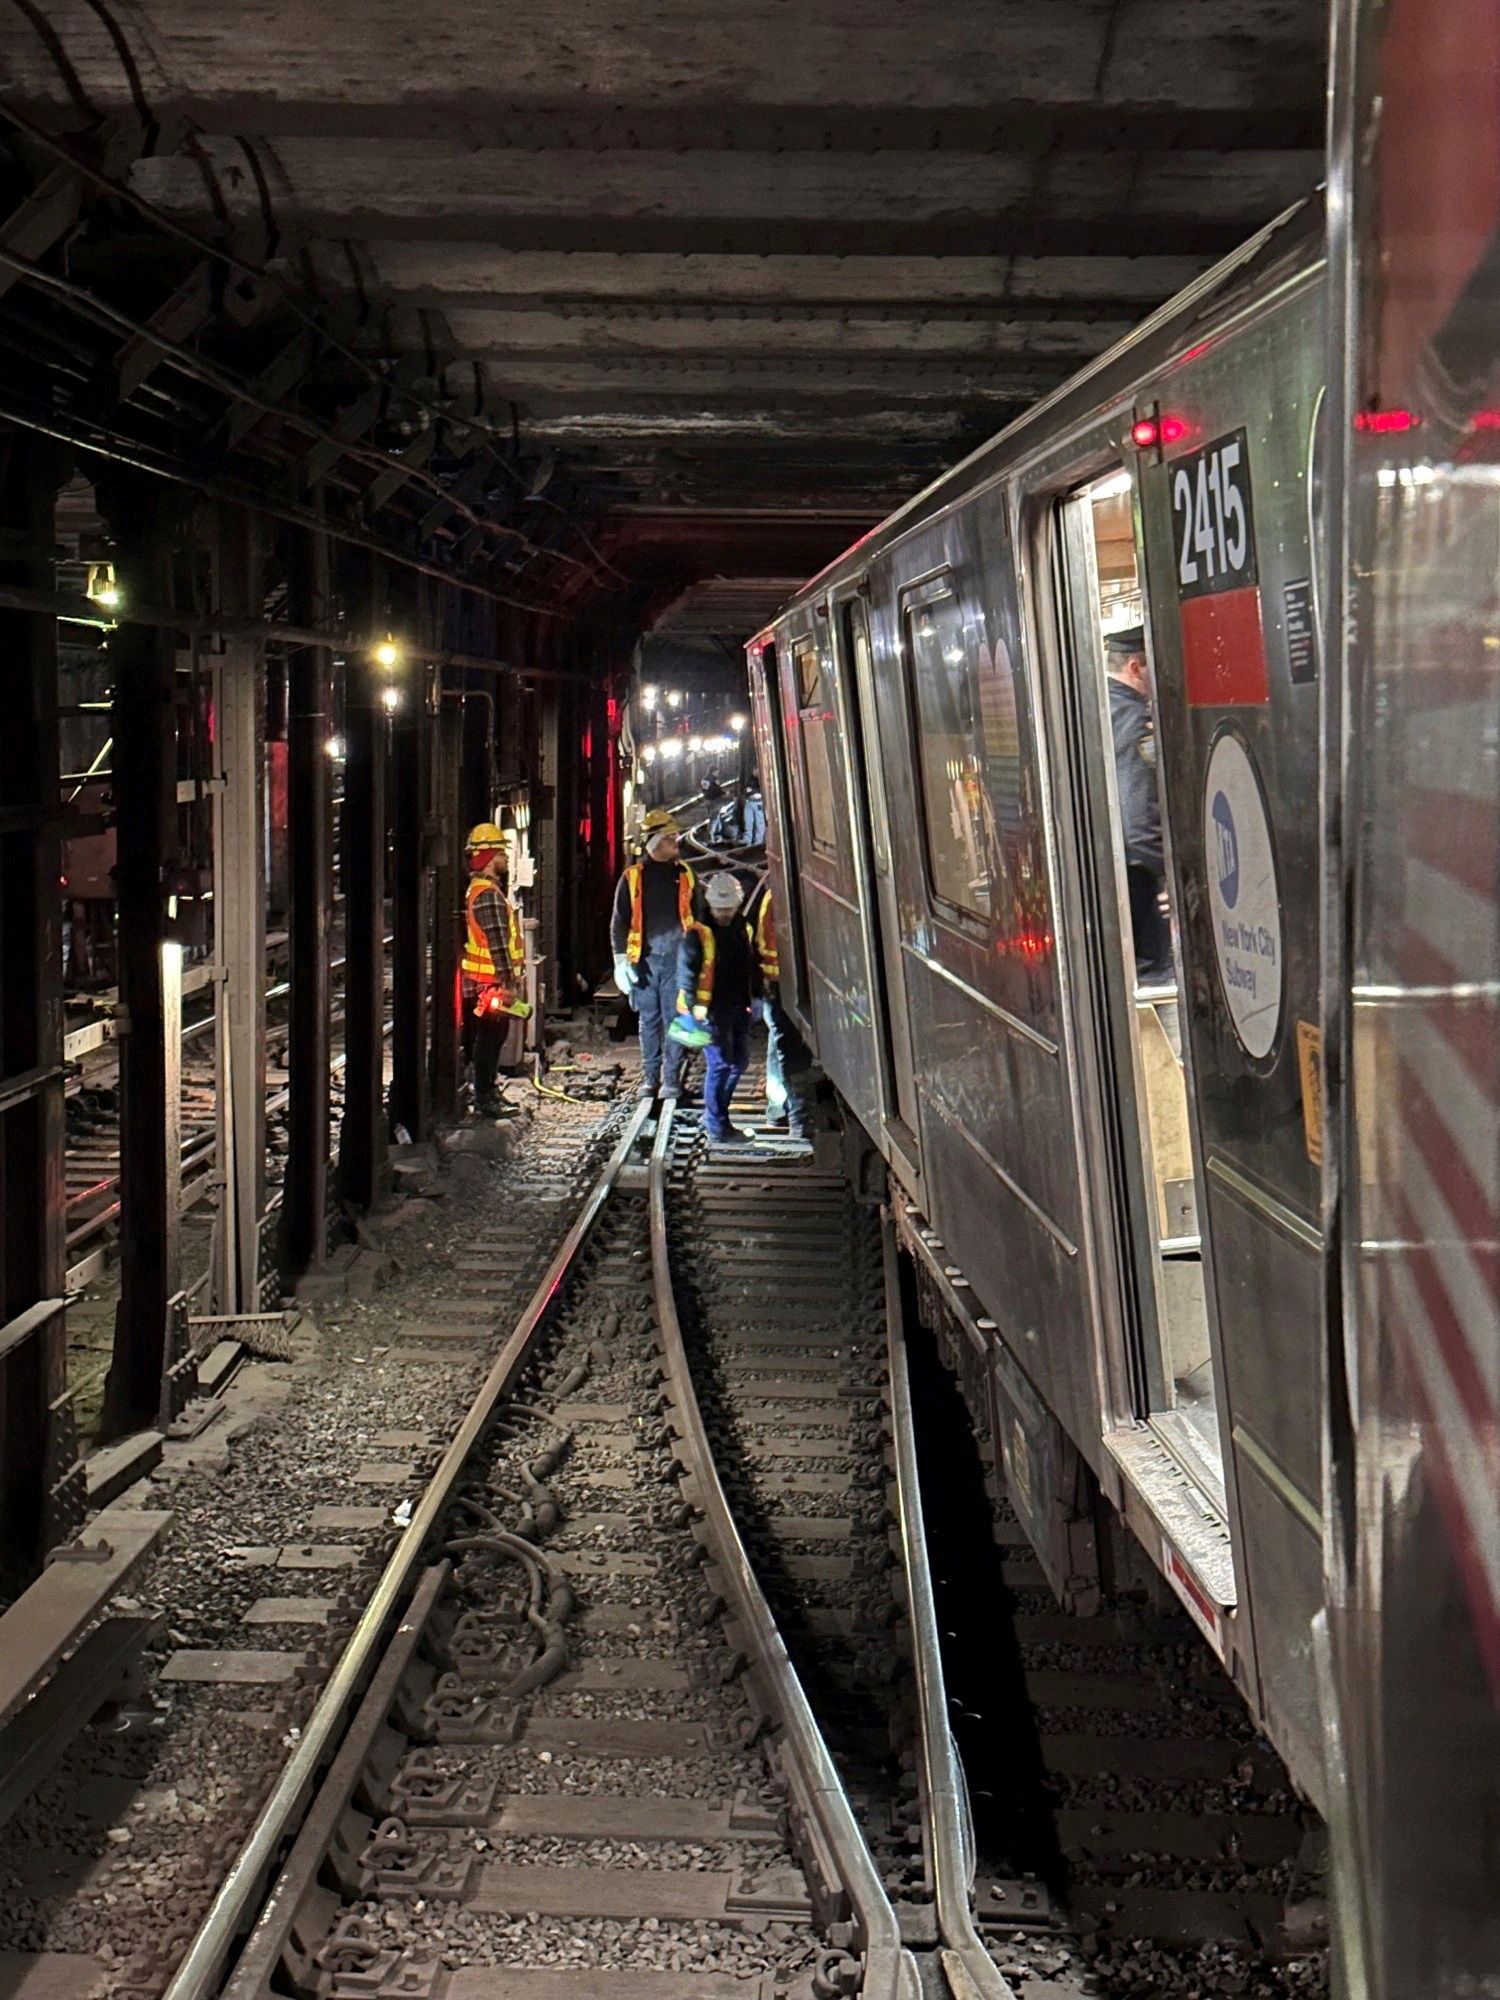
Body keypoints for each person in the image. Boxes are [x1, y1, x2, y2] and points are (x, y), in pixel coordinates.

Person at [610, 808, 697, 1101]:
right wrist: (620, 960)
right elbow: (619, 922)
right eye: (671, 837)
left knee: (674, 1018)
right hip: (645, 961)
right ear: (655, 842)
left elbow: (698, 919)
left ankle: (670, 1080)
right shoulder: (632, 878)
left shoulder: (685, 875)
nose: (676, 842)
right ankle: (650, 1078)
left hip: (677, 960)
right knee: (649, 1020)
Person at [1105, 626, 1173, 985]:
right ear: (1135, 667)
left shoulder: (1101, 710)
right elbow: (1139, 821)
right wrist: (1172, 874)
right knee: (1160, 985)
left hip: (1115, 883)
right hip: (1144, 888)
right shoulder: (1135, 721)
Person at [677, 871, 758, 1144]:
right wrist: (692, 1008)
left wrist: (757, 994)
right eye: (720, 909)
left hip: (737, 1005)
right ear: (711, 905)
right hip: (710, 1010)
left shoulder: (742, 928)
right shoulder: (697, 934)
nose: (725, 914)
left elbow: (750, 964)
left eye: (729, 909)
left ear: (737, 905)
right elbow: (687, 974)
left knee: (739, 1063)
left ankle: (716, 1117)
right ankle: (716, 1124)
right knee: (721, 1064)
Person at [460, 822, 529, 1117]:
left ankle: (487, 1092)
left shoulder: (479, 890)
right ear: (489, 856)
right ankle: (486, 1098)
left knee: (490, 1038)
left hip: (484, 981)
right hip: (490, 983)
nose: (505, 857)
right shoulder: (488, 895)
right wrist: (508, 981)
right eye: (501, 851)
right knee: (491, 1039)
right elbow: (499, 943)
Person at [745, 877, 810, 1140]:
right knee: (788, 1048)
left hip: (778, 984)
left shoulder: (772, 897)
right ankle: (796, 1118)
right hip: (781, 985)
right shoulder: (776, 900)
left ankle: (777, 1108)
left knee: (779, 1043)